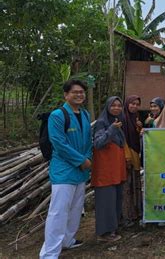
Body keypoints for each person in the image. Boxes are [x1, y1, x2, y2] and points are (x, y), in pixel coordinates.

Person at [40, 80, 92, 259]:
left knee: (76, 208)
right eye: (75, 92)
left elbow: (88, 141)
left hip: (80, 170)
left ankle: (68, 240)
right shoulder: (57, 115)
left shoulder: (85, 114)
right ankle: (49, 253)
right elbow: (59, 143)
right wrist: (81, 160)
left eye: (82, 92)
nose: (79, 95)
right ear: (66, 95)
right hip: (64, 170)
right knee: (58, 211)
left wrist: (88, 159)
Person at [91, 96, 126, 242]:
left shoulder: (117, 122)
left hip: (116, 168)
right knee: (106, 200)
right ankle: (104, 233)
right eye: (113, 105)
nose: (116, 108)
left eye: (119, 105)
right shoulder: (102, 123)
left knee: (115, 199)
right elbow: (98, 143)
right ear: (107, 107)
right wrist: (111, 129)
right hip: (105, 170)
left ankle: (112, 228)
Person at [122, 95, 143, 226]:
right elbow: (123, 139)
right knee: (127, 186)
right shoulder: (123, 119)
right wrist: (127, 156)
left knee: (135, 184)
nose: (134, 106)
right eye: (132, 104)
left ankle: (136, 212)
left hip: (135, 154)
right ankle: (127, 215)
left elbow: (136, 137)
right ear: (127, 104)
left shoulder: (135, 118)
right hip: (127, 156)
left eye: (137, 104)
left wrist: (139, 128)